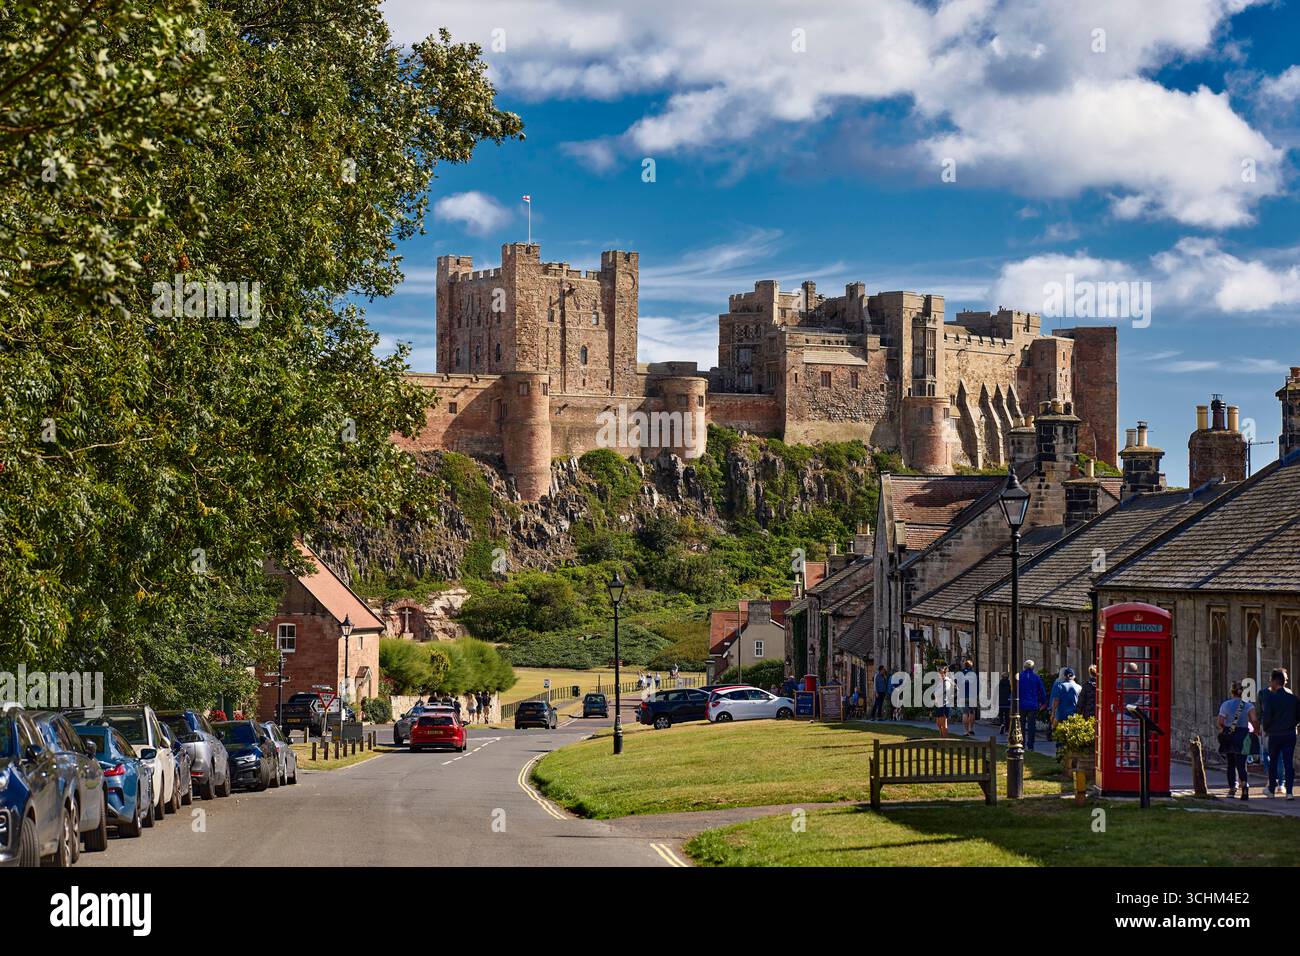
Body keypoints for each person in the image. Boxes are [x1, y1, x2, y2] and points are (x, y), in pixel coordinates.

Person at [1258, 668, 1299, 800]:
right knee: (1288, 762)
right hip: (1290, 733)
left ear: (1275, 681)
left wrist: (1268, 729)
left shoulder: (1271, 698)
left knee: (1273, 761)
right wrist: (1293, 725)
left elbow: (1267, 718)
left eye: (1271, 680)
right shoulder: (1293, 699)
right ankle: (1289, 792)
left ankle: (1271, 789)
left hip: (1275, 734)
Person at [1217, 681, 1260, 799]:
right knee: (1242, 764)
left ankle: (1232, 789)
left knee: (1231, 764)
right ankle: (1245, 787)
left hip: (1230, 737)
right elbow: (1254, 720)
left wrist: (1226, 729)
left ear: (1232, 692)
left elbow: (1220, 722)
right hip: (1243, 736)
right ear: (1242, 693)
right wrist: (1256, 731)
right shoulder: (1249, 705)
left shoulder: (1225, 705)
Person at [1049, 667, 1082, 752]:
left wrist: (1052, 714)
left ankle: (1060, 752)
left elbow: (1056, 701)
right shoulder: (1079, 687)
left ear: (1065, 676)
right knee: (1071, 736)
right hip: (1074, 715)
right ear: (1074, 676)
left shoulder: (1060, 686)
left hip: (1062, 715)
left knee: (1060, 736)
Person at [1018, 659, 1047, 751]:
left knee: (1021, 725)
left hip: (1021, 704)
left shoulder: (1019, 677)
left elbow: (1014, 690)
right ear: (1033, 668)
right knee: (1031, 725)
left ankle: (1021, 743)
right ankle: (1030, 745)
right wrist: (1043, 703)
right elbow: (1042, 691)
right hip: (1032, 705)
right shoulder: (1036, 677)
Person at [958, 657, 978, 737]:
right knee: (972, 712)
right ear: (971, 666)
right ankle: (971, 729)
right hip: (972, 695)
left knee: (965, 713)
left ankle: (966, 731)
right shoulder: (973, 674)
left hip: (963, 695)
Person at [934, 662, 954, 738]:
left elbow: (942, 692)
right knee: (938, 724)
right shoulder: (940, 682)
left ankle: (945, 741)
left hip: (944, 704)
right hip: (939, 704)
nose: (940, 675)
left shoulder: (946, 682)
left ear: (945, 674)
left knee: (944, 724)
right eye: (939, 674)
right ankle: (941, 738)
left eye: (942, 673)